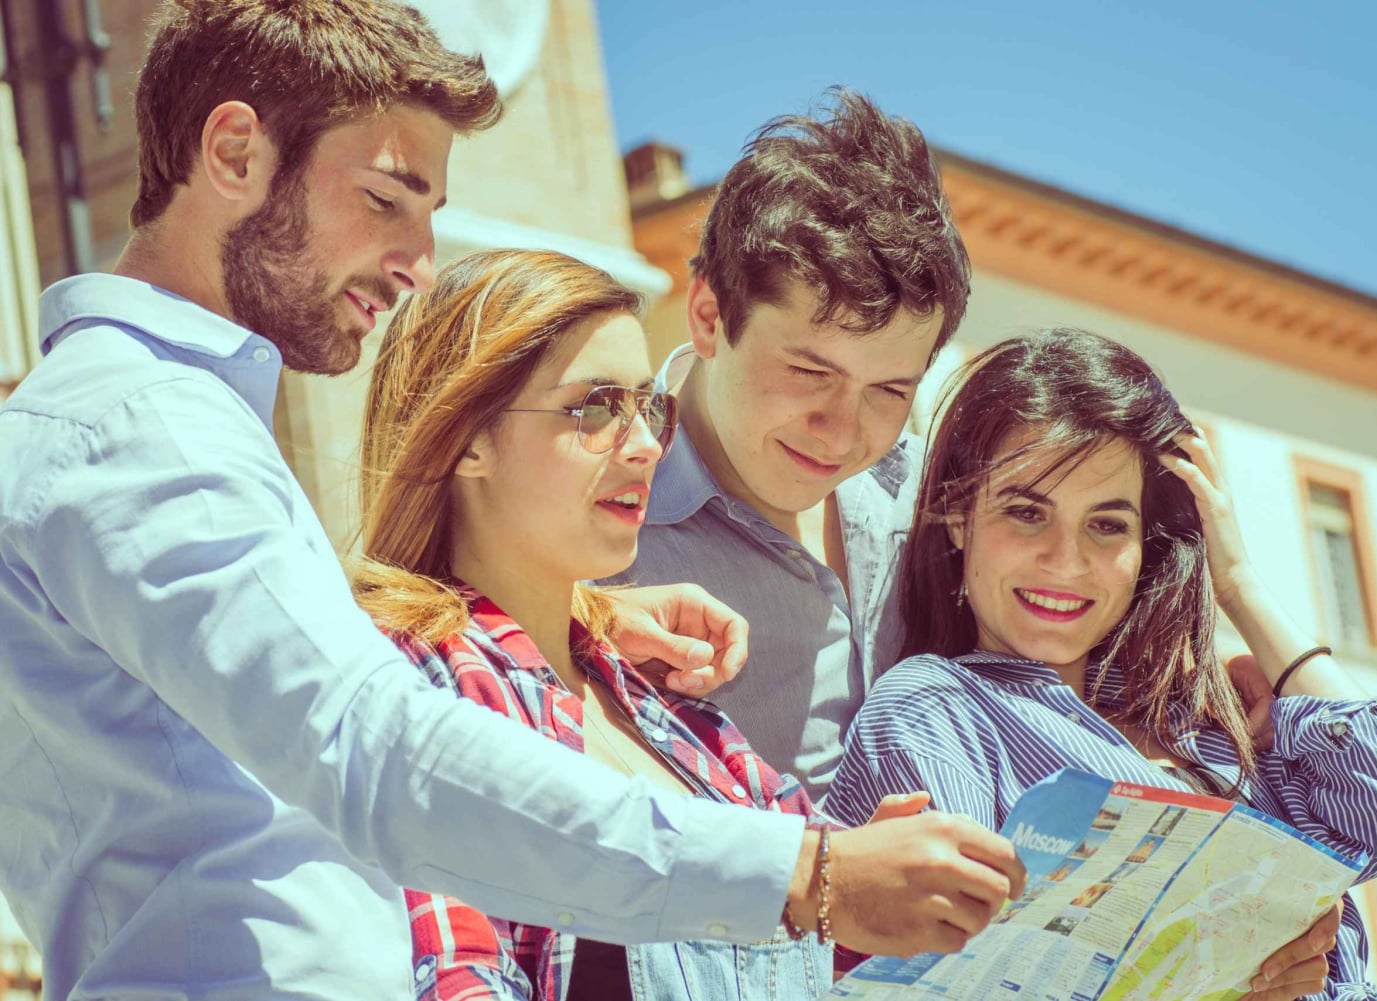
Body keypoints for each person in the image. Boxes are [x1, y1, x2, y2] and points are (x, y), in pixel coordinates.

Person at [0, 4, 1019, 998]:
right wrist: (810, 873)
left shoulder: (174, 421)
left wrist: (577, 620)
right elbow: (377, 747)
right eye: (386, 199)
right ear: (234, 153)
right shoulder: (138, 423)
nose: (418, 265)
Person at [354, 248, 1011, 999]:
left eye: (648, 407)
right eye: (596, 407)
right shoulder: (414, 681)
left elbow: (817, 906)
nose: (644, 445)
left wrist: (877, 881)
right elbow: (458, 978)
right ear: (467, 436)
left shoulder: (659, 698)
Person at [825, 328, 1377, 1001]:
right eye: (1026, 512)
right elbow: (968, 979)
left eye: (1107, 524)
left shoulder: (1204, 720)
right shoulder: (933, 711)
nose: (1066, 561)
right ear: (959, 516)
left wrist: (1239, 584)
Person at [614, 89, 967, 799]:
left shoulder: (932, 498)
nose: (843, 432)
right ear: (709, 316)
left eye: (888, 390)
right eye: (810, 372)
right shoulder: (586, 514)